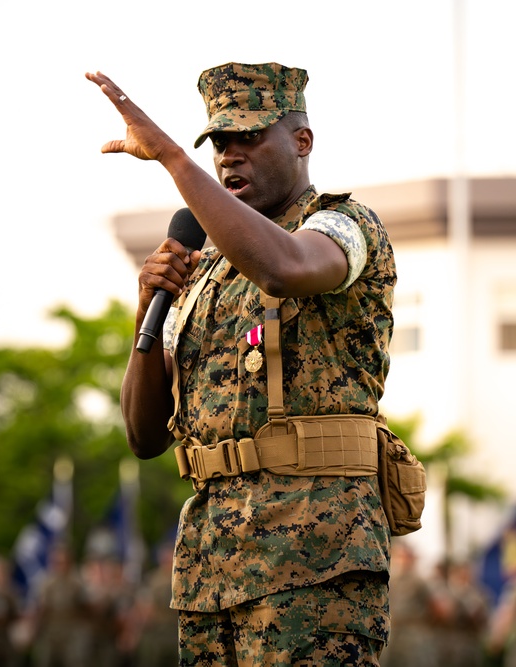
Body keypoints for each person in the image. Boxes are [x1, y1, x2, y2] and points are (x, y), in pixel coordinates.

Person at [87, 62, 395, 666]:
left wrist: (176, 159)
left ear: (302, 141)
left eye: (250, 138)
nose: (230, 157)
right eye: (219, 144)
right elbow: (143, 435)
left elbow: (284, 268)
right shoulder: (205, 270)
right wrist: (146, 313)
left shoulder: (340, 227)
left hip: (313, 563)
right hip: (210, 570)